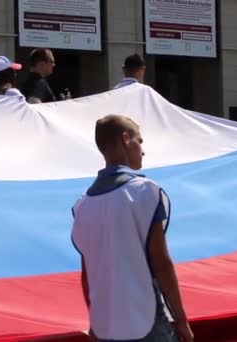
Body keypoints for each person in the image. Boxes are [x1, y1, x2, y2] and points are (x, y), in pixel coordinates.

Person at [71, 115, 193, 342]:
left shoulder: (82, 206)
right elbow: (161, 262)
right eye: (140, 141)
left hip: (106, 324)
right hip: (145, 319)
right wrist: (182, 319)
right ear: (126, 139)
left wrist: (95, 322)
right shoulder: (145, 191)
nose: (143, 150)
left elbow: (88, 274)